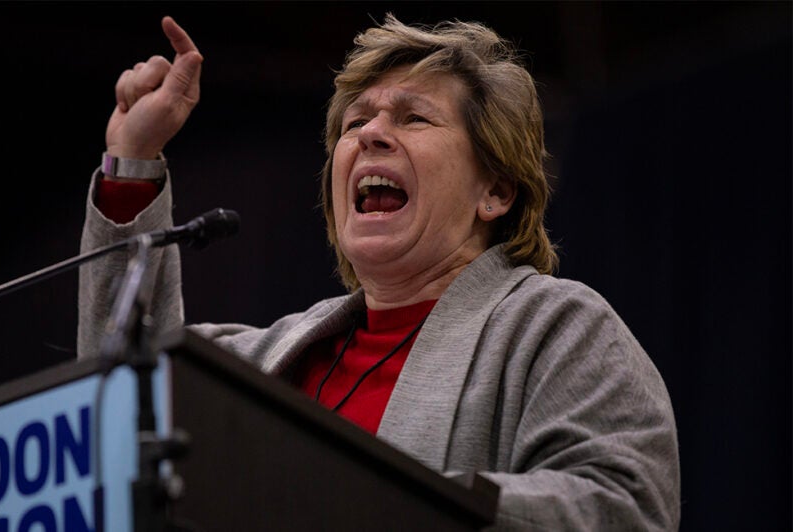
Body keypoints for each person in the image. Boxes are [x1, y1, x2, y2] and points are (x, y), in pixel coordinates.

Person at [77, 14, 680, 530]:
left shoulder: (558, 327)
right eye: (352, 124)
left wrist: (392, 506)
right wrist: (132, 160)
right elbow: (118, 407)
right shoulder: (260, 362)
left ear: (494, 191)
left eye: (413, 118)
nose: (369, 135)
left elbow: (622, 508)